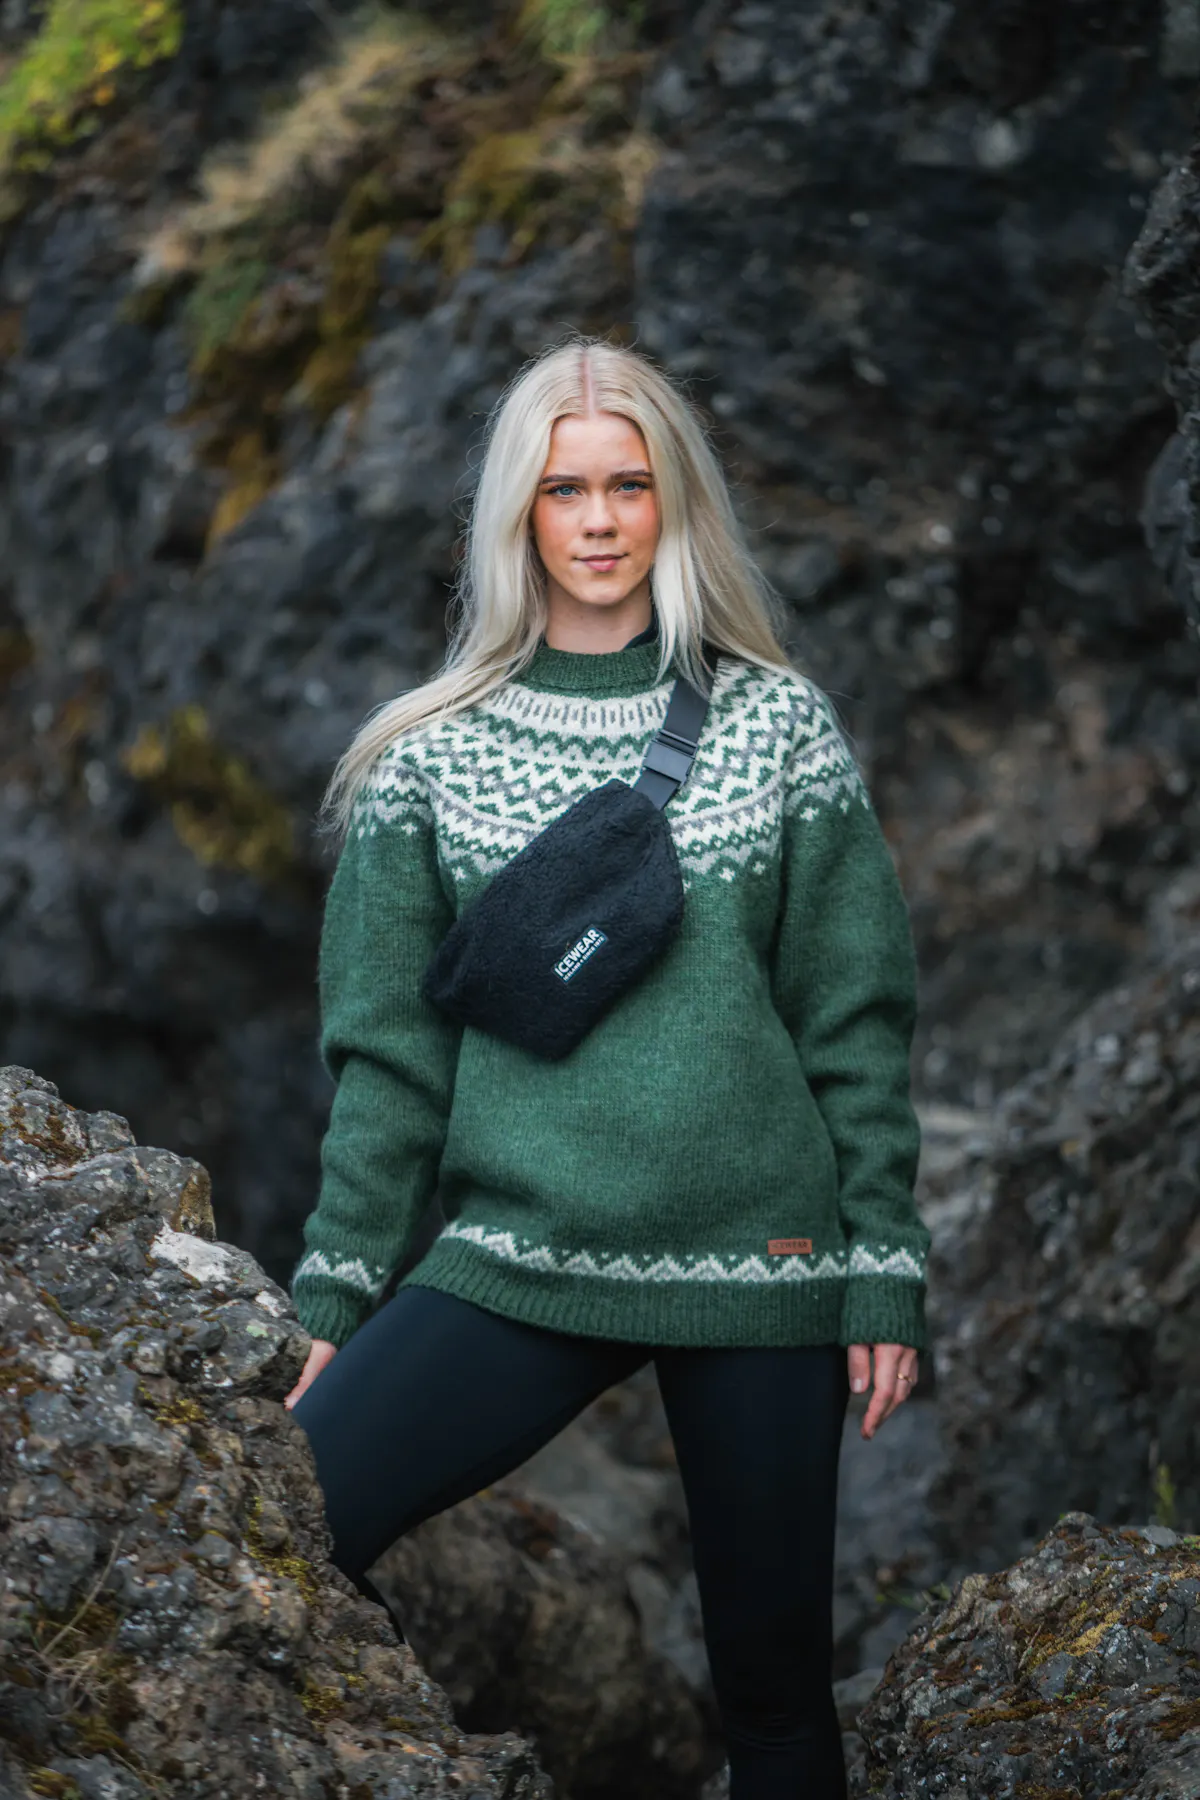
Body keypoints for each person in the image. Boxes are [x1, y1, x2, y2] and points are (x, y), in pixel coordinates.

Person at [284, 338, 929, 1800]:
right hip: (523, 1245)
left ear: (673, 502)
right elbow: (389, 1061)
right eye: (562, 488)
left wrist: (880, 1262)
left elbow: (855, 1017)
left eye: (628, 484)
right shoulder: (426, 759)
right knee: (283, 1525)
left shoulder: (777, 727)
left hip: (760, 1264)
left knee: (773, 1708)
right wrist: (338, 1287)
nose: (595, 519)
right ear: (515, 513)